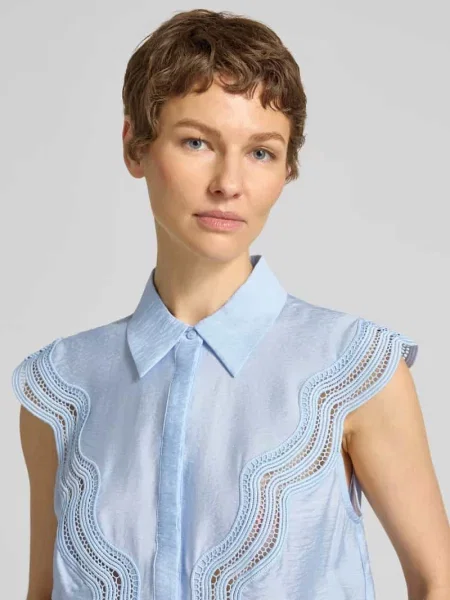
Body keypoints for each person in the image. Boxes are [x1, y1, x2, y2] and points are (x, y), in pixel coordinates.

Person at [12, 8, 450, 600]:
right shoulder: (62, 387)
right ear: (135, 147)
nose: (228, 183)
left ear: (287, 168)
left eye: (261, 152)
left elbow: (437, 579)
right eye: (196, 142)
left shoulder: (353, 369)